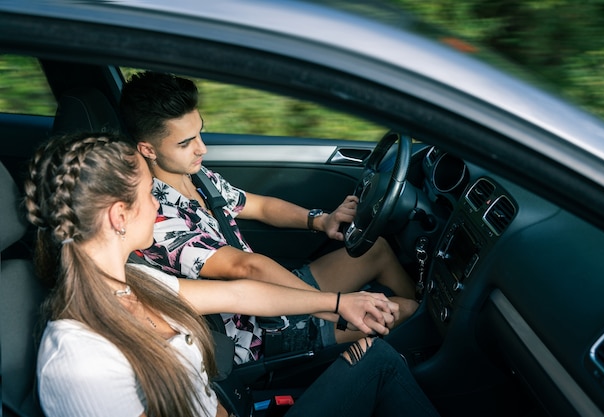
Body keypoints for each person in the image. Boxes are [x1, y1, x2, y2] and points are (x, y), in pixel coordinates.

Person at [26, 132, 440, 417]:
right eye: (150, 195)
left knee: (375, 355)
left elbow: (242, 294)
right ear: (119, 216)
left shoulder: (133, 284)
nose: (158, 205)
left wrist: (338, 304)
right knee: (380, 363)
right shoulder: (79, 361)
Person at [119, 71, 419, 363]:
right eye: (185, 143)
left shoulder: (194, 175)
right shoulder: (156, 217)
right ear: (148, 149)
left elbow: (260, 206)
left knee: (375, 249)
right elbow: (245, 267)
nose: (202, 148)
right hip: (258, 332)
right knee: (405, 310)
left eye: (199, 132)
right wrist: (337, 307)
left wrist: (320, 220)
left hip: (273, 291)